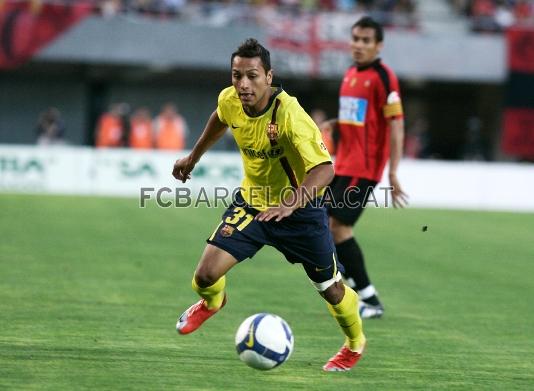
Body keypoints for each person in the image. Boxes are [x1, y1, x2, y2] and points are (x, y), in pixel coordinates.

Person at [172, 38, 366, 372]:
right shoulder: (230, 99)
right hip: (252, 206)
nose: (243, 84)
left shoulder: (290, 115)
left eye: (252, 76)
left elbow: (324, 169)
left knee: (331, 291)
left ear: (269, 76)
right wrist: (193, 156)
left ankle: (354, 343)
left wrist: (291, 203)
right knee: (204, 276)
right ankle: (212, 302)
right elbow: (220, 117)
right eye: (236, 75)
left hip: (300, 212)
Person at [320, 16, 408, 319]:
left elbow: (396, 125)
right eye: (355, 38)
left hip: (364, 167)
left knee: (338, 227)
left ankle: (369, 300)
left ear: (378, 45)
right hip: (342, 164)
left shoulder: (384, 77)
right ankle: (356, 294)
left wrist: (393, 172)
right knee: (322, 225)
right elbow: (357, 118)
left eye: (365, 40)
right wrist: (334, 123)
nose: (358, 45)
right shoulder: (349, 74)